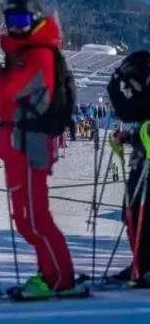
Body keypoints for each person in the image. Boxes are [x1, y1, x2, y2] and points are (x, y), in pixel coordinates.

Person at [0, 0, 84, 299]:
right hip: (18, 144)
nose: (15, 28)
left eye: (22, 21)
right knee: (27, 219)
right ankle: (49, 274)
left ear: (35, 20)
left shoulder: (39, 54)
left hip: (30, 144)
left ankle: (60, 278)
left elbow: (11, 88)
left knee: (35, 218)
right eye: (11, 21)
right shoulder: (24, 53)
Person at [106, 50, 150, 285]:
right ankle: (141, 264)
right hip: (143, 157)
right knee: (131, 210)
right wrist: (129, 135)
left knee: (144, 210)